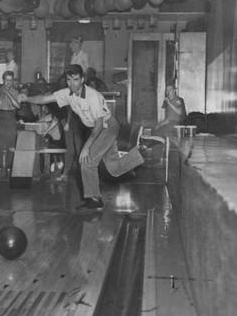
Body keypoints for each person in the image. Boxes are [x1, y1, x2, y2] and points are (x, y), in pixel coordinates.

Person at [20, 64, 144, 210]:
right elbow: (44, 99)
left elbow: (98, 125)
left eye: (76, 79)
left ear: (82, 79)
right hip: (99, 128)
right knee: (114, 169)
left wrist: (86, 147)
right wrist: (26, 98)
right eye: (69, 80)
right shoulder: (67, 93)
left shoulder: (92, 96)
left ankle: (94, 199)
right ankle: (143, 151)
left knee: (87, 160)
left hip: (106, 126)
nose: (72, 83)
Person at [0, 70, 20, 178]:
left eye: (11, 80)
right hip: (0, 116)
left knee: (11, 143)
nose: (9, 82)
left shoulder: (16, 91)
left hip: (11, 117)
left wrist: (8, 93)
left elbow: (17, 106)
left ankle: (10, 167)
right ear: (3, 80)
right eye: (7, 80)